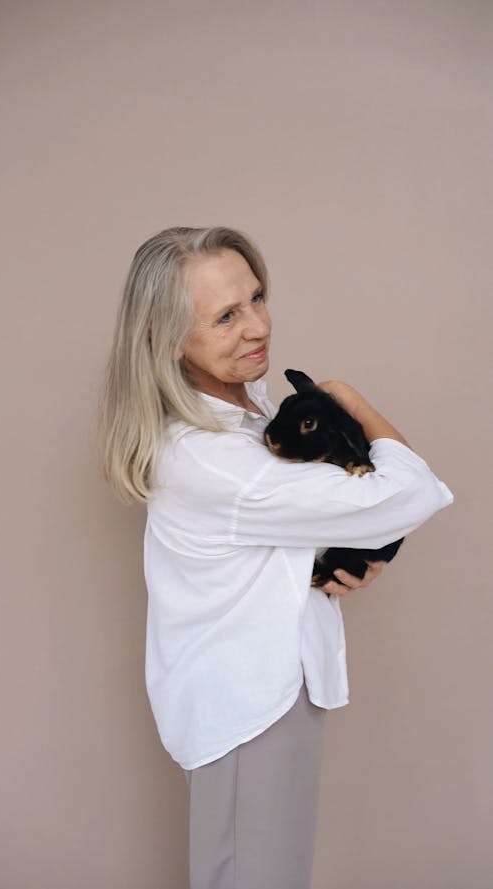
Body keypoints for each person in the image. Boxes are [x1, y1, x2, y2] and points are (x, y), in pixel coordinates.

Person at [97, 226, 453, 889]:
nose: (258, 325)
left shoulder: (252, 415)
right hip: (248, 704)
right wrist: (349, 399)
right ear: (168, 340)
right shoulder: (215, 455)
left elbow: (280, 530)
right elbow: (414, 491)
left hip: (267, 687)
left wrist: (342, 554)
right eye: (226, 315)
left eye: (257, 297)